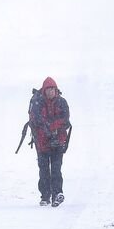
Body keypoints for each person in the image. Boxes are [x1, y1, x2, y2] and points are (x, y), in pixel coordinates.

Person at [28, 77, 71, 207]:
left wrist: (53, 129)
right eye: (48, 90)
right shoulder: (37, 104)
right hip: (42, 143)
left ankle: (57, 194)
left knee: (56, 168)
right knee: (44, 169)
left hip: (58, 142)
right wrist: (50, 130)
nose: (50, 92)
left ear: (56, 90)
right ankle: (45, 196)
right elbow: (37, 121)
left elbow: (65, 120)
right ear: (44, 91)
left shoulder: (62, 102)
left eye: (52, 89)